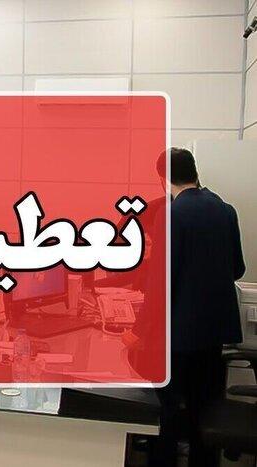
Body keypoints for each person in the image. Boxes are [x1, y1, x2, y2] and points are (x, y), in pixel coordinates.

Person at [125, 147, 245, 467]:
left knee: (167, 409)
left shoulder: (170, 215)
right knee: (203, 411)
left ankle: (162, 460)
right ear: (195, 172)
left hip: (178, 336)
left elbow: (160, 285)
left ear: (163, 179)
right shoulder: (226, 210)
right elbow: (238, 269)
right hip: (214, 334)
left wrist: (137, 332)